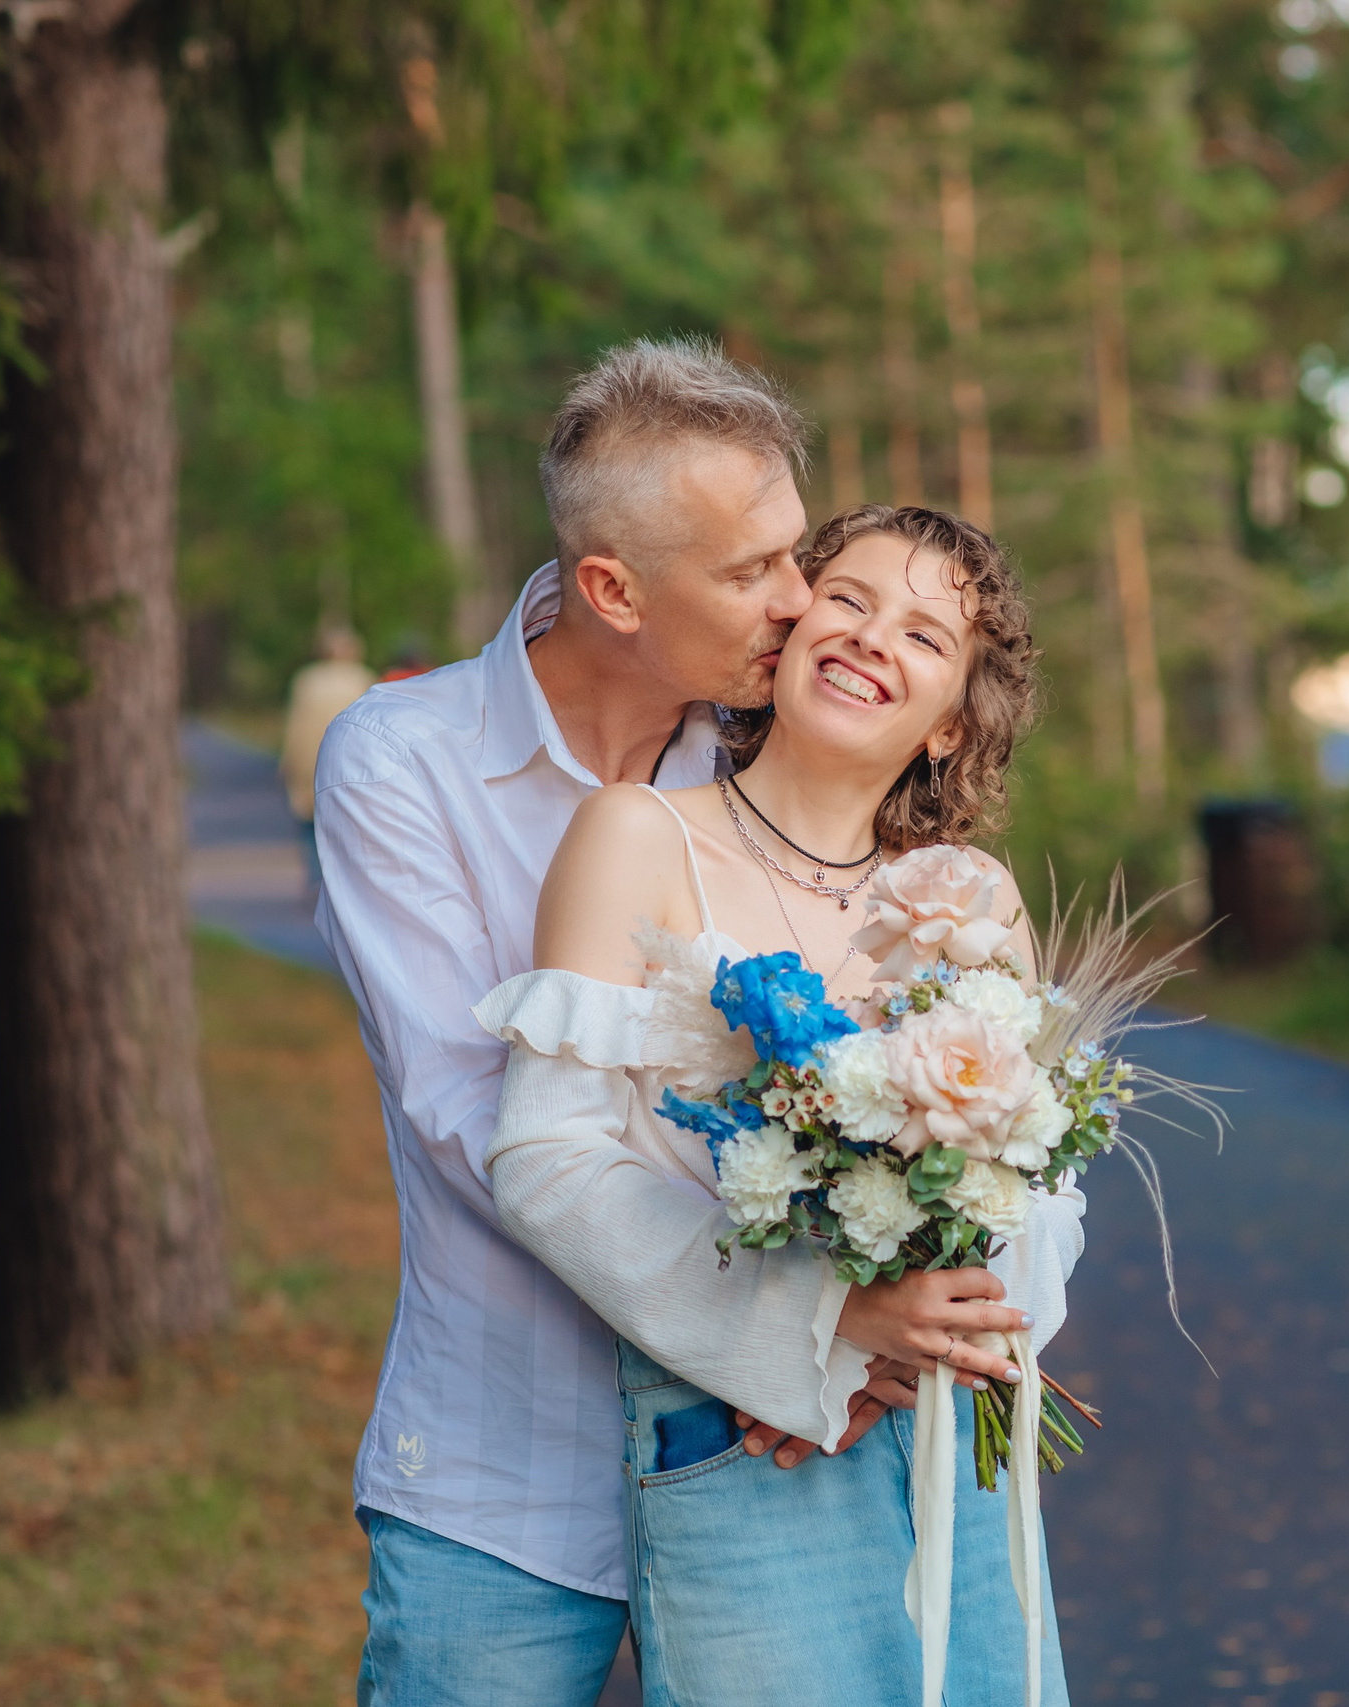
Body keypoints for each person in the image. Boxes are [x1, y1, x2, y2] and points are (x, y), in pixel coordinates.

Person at [313, 341, 1034, 1706]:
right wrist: (817, 1317)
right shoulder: (403, 762)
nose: (802, 596)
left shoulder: (776, 755)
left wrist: (886, 1318)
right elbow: (478, 1119)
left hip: (777, 1471)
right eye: (754, 570)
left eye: (795, 550)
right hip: (515, 1472)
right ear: (614, 591)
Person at [473, 504, 1077, 1706]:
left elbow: (1043, 1182)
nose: (868, 639)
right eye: (846, 599)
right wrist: (817, 1332)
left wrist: (931, 1341)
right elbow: (547, 1159)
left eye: (923, 634)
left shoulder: (971, 897)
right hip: (737, 1437)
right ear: (790, 625)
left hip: (952, 1431)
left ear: (954, 721)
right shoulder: (636, 837)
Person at [281, 628, 374, 891]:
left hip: (309, 759)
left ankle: (315, 877)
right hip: (351, 762)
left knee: (310, 822)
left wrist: (287, 760)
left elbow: (295, 725)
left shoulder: (307, 680)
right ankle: (342, 879)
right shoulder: (363, 678)